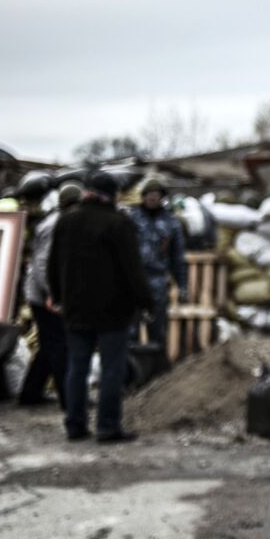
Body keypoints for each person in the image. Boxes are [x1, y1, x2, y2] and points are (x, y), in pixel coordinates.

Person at [47, 171, 152, 443]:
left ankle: (75, 425)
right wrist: (146, 301)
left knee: (77, 368)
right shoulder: (118, 223)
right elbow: (133, 269)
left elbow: (53, 265)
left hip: (75, 308)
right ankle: (107, 426)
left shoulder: (66, 221)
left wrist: (58, 297)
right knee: (112, 370)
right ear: (112, 195)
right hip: (113, 310)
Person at [19, 182, 82, 407]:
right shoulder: (55, 226)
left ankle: (30, 393)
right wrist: (54, 295)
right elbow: (43, 264)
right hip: (44, 295)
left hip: (44, 292)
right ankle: (69, 398)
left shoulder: (60, 222)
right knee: (58, 345)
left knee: (49, 345)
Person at [125, 176, 189, 351]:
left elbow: (177, 257)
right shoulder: (131, 219)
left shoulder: (171, 223)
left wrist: (182, 285)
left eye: (157, 194)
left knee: (158, 329)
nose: (153, 198)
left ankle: (157, 368)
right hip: (133, 281)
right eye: (149, 194)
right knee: (130, 329)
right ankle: (132, 371)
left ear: (162, 197)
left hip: (158, 281)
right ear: (143, 196)